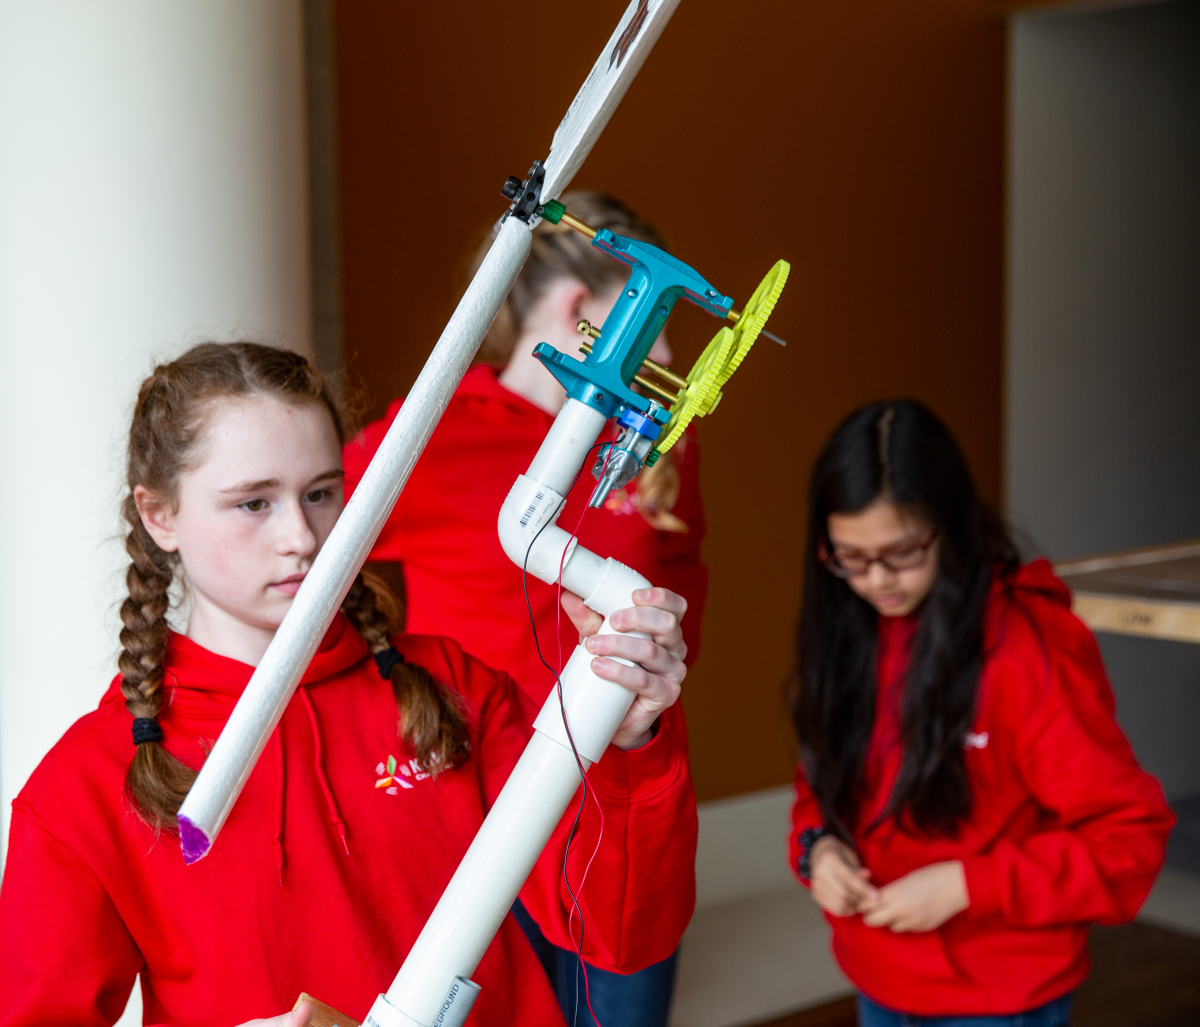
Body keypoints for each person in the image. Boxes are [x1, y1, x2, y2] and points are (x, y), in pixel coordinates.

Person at [0, 342, 698, 1027]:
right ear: (160, 516)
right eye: (253, 503)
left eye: (321, 493)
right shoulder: (85, 787)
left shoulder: (452, 687)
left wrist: (629, 737)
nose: (302, 535)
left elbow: (622, 933)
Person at [343, 192, 706, 1027]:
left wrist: (647, 698)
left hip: (615, 797)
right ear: (585, 313)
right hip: (479, 808)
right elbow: (311, 576)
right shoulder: (425, 436)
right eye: (655, 323)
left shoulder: (654, 443)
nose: (674, 353)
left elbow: (686, 573)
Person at [788, 400, 1173, 1026]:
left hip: (998, 996)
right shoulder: (847, 629)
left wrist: (970, 886)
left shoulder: (1028, 651)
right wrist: (818, 848)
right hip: (877, 978)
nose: (876, 581)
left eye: (903, 552)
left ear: (949, 525)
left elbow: (1128, 842)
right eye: (849, 558)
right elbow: (821, 782)